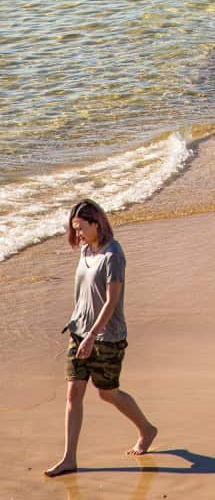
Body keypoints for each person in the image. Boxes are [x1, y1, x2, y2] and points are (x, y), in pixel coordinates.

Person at [45, 199, 156, 477]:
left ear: (97, 223)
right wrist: (82, 331)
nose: (78, 234)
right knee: (73, 393)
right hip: (79, 332)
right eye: (75, 229)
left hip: (107, 336)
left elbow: (111, 301)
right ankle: (69, 458)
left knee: (107, 393)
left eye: (81, 228)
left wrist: (93, 335)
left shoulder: (113, 254)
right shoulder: (85, 250)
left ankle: (146, 429)